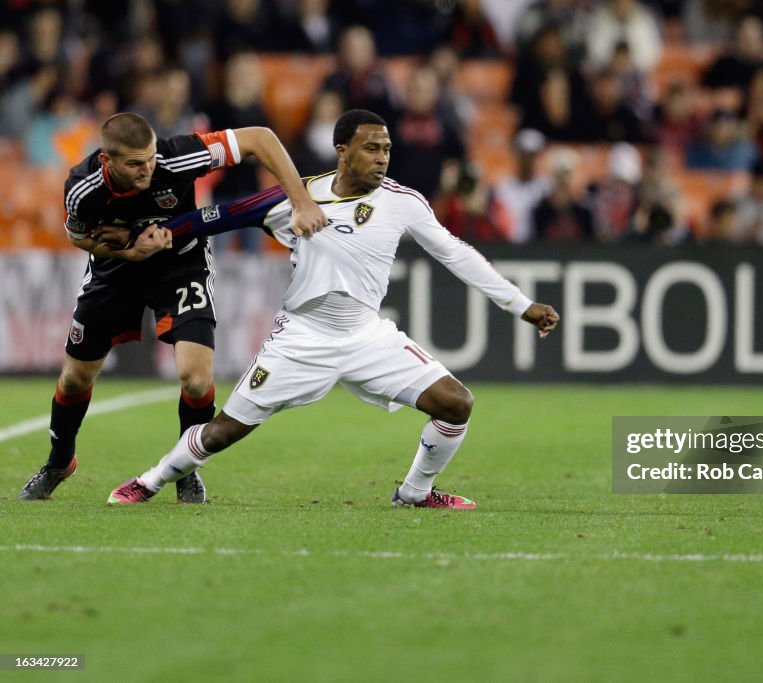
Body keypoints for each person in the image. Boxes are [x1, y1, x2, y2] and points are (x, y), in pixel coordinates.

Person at [106, 109, 560, 509]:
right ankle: (150, 481)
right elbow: (220, 217)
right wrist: (162, 231)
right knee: (221, 432)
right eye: (371, 148)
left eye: (386, 148)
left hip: (367, 336)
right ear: (342, 151)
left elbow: (457, 254)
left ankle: (415, 493)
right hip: (302, 339)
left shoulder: (404, 204)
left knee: (456, 404)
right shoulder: (298, 196)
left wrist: (521, 306)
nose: (382, 157)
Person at [17, 113, 328, 503]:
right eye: (135, 163)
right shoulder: (82, 189)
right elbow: (82, 239)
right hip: (115, 272)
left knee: (196, 379)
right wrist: (130, 250)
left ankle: (186, 470)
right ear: (107, 161)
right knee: (74, 379)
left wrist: (300, 201)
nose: (148, 168)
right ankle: (59, 462)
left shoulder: (178, 156)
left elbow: (261, 138)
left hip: (181, 265)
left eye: (150, 158)